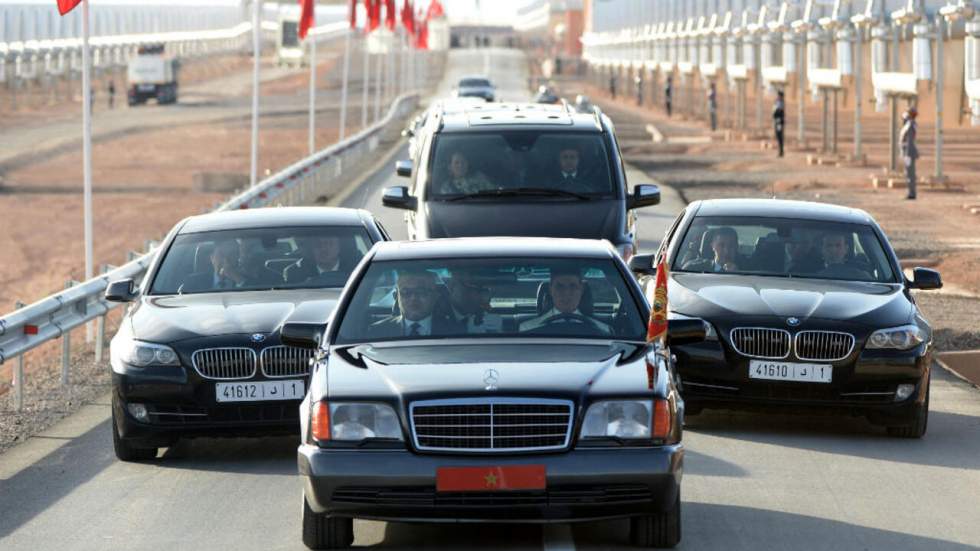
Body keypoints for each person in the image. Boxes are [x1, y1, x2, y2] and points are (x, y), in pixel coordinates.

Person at [368, 270, 461, 338]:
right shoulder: (377, 331)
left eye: (421, 292)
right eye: (406, 292)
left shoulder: (456, 331)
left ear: (435, 296)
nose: (413, 298)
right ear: (396, 297)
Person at [520, 266, 611, 334]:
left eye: (573, 286)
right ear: (551, 289)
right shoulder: (527, 330)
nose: (566, 293)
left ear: (582, 289)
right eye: (559, 286)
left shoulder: (603, 332)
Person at [446, 269, 503, 333]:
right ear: (452, 286)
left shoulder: (490, 319)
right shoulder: (435, 310)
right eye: (471, 287)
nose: (480, 296)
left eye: (486, 290)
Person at [284, 235, 350, 285]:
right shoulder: (295, 273)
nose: (323, 249)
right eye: (318, 245)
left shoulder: (355, 269)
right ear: (311, 249)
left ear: (339, 247)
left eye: (329, 244)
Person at [900, 107, 919, 200]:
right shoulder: (909, 124)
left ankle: (912, 193)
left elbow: (910, 141)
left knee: (910, 174)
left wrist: (907, 154)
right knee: (908, 173)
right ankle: (911, 192)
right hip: (908, 152)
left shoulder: (910, 125)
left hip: (909, 153)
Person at [773, 90, 786, 157]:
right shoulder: (778, 102)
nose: (777, 96)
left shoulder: (780, 103)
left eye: (778, 95)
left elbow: (778, 112)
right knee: (778, 136)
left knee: (779, 136)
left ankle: (781, 151)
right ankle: (780, 151)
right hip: (778, 121)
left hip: (779, 122)